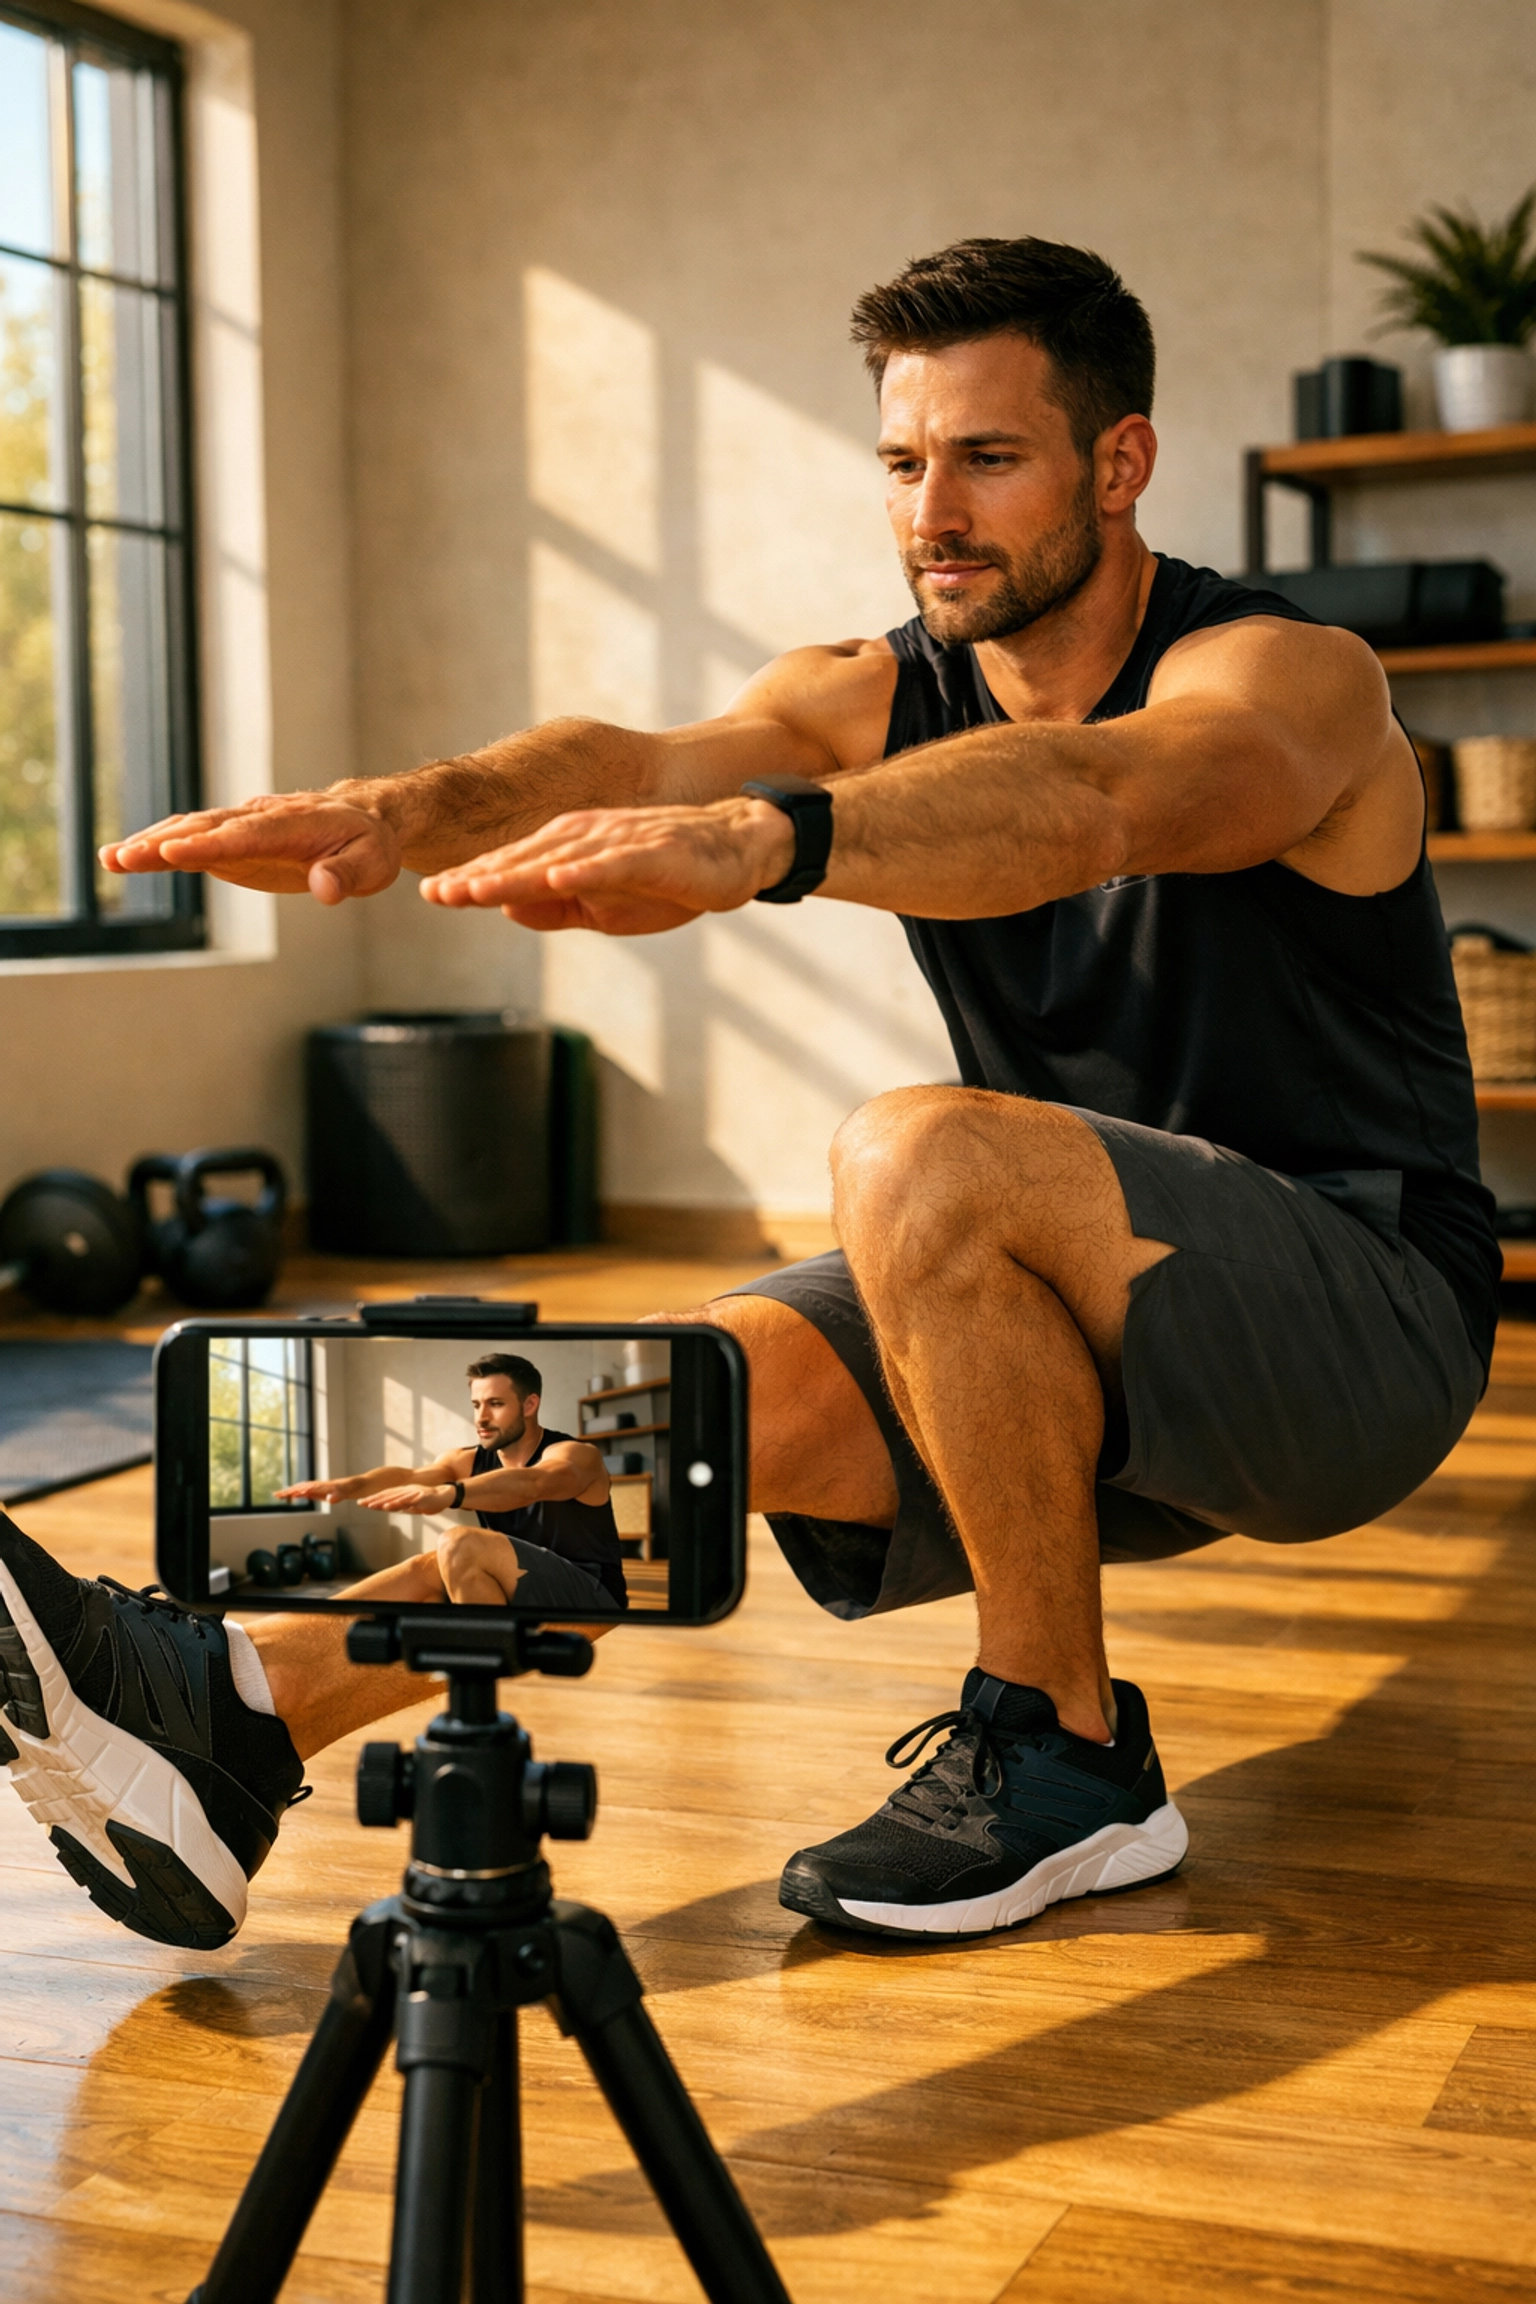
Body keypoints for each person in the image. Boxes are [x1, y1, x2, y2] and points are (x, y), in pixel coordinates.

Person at [0, 237, 1496, 1957]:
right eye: (903, 461)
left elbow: (1100, 797)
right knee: (681, 1398)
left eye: (989, 458)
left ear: (1119, 462)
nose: (934, 511)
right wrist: (408, 810)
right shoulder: (872, 689)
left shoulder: (1287, 678)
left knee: (918, 1151)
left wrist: (766, 839)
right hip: (1079, 1315)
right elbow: (641, 759)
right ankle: (241, 1713)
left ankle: (1064, 1745)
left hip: (1363, 1316)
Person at [274, 1352, 629, 1612]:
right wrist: (348, 1487)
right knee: (426, 1569)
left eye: (495, 1404)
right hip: (521, 1580)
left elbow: (532, 1483)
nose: (481, 1418)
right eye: (476, 1405)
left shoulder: (576, 1455)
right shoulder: (467, 1459)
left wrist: (451, 1493)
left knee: (459, 1542)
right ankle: (307, 1624)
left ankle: (487, 1658)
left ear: (529, 1404)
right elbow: (411, 1476)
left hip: (593, 1593)